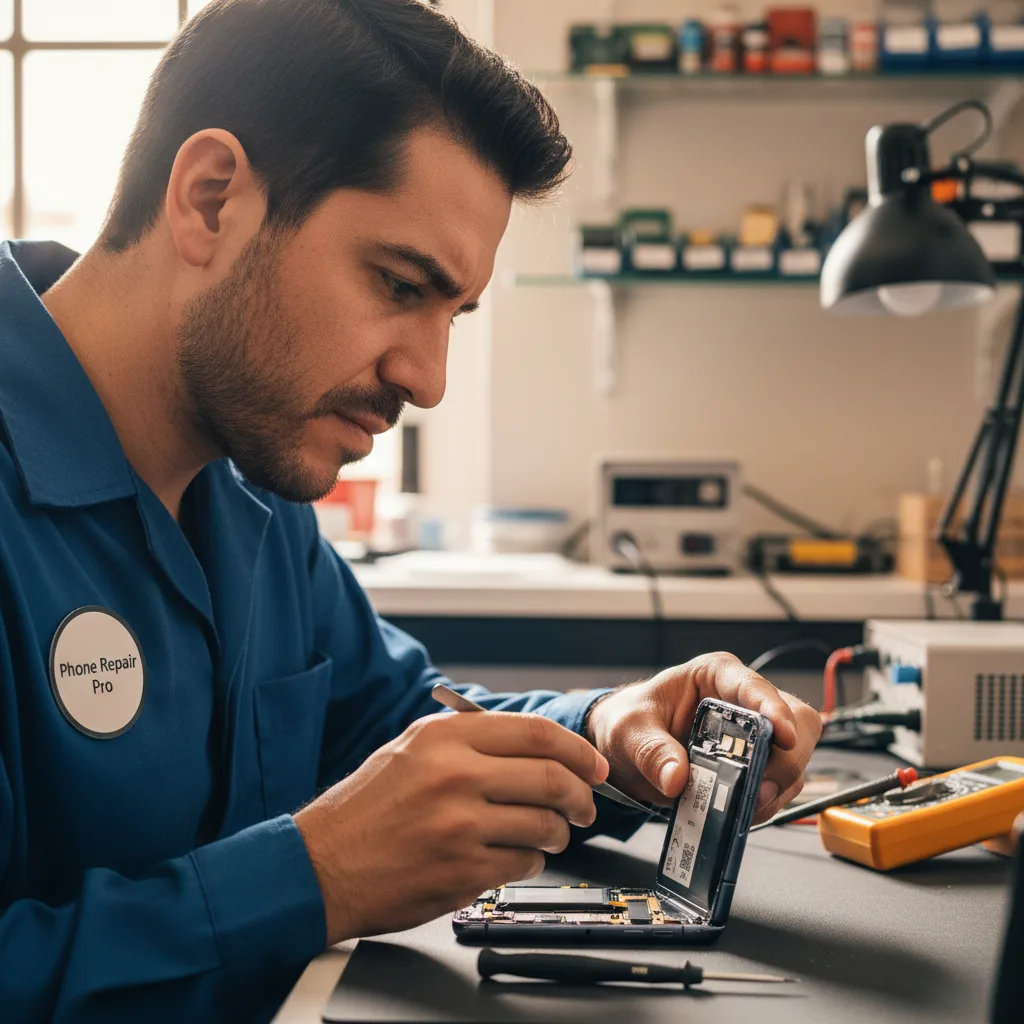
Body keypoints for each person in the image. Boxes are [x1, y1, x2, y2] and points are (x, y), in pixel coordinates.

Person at [0, 1, 821, 1021]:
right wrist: (310, 876)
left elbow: (386, 722)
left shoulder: (253, 479)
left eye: (452, 314)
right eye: (397, 284)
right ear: (211, 200)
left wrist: (608, 736)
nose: (427, 379)